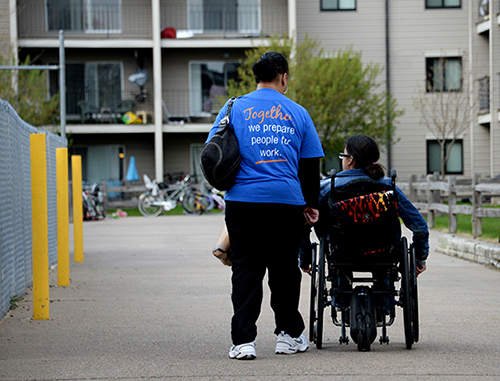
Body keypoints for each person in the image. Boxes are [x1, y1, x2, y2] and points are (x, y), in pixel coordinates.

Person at [206, 51, 324, 360]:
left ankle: (243, 341)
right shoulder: (298, 113)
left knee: (246, 270)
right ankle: (288, 336)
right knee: (285, 270)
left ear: (258, 77)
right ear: (283, 77)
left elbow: (212, 151)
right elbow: (311, 165)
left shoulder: (233, 107)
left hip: (242, 203)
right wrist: (311, 205)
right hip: (286, 203)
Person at [300, 134, 429, 276]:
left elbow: (303, 225)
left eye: (343, 155)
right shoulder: (388, 187)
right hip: (383, 252)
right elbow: (420, 227)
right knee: (385, 275)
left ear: (350, 160)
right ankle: (384, 292)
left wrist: (305, 259)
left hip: (340, 252)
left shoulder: (327, 188)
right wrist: (420, 258)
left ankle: (341, 290)